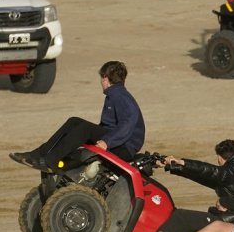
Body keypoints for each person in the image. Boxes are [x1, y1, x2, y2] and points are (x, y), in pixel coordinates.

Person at [9, 61, 145, 171]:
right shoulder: (115, 94)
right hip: (118, 141)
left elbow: (127, 124)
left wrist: (106, 142)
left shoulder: (120, 96)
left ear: (105, 78)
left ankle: (51, 160)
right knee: (74, 122)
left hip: (125, 147)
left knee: (85, 129)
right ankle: (39, 153)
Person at [146, 140, 234, 232]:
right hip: (229, 218)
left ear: (220, 157)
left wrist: (182, 162)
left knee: (180, 216)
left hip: (227, 220)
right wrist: (173, 166)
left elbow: (209, 171)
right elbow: (202, 176)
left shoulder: (233, 171)